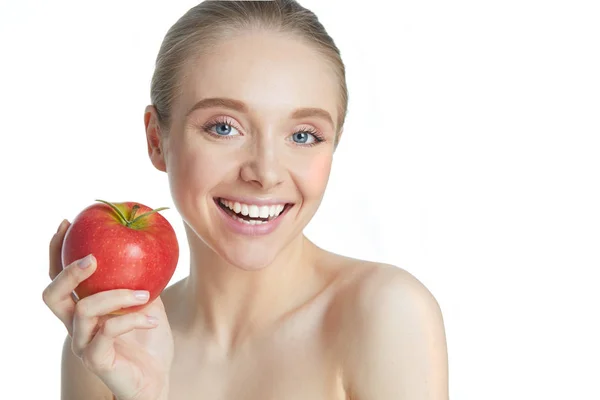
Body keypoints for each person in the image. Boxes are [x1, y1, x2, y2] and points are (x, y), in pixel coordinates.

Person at [43, 1, 449, 399]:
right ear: (157, 141)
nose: (266, 172)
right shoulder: (107, 345)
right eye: (224, 127)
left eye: (303, 135)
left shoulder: (386, 315)